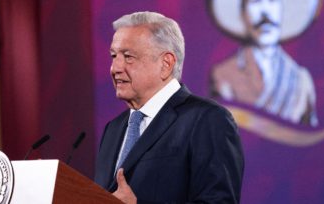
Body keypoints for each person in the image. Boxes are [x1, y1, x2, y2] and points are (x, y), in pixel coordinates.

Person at [95, 11, 244, 203]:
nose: (115, 68)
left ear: (166, 64)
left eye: (128, 56)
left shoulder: (207, 120)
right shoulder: (113, 129)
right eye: (114, 56)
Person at [210, 0, 318, 126]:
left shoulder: (301, 80)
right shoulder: (224, 77)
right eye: (256, 0)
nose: (265, 11)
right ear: (242, 10)